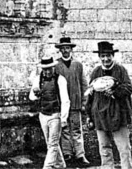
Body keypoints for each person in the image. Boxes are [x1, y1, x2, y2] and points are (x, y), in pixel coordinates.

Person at [85, 41, 132, 169]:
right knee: (104, 147)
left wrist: (115, 90)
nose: (105, 59)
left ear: (113, 56)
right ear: (99, 57)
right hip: (100, 114)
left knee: (123, 147)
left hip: (118, 113)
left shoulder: (120, 70)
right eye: (103, 56)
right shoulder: (96, 72)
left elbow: (128, 89)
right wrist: (88, 115)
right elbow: (90, 94)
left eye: (108, 55)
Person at [54, 37, 91, 167]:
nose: (65, 50)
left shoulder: (78, 65)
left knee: (76, 129)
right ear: (60, 50)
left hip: (75, 103)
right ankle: (67, 153)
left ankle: (80, 154)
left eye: (67, 48)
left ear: (71, 49)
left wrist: (83, 102)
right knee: (64, 128)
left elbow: (84, 84)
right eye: (63, 48)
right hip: (62, 104)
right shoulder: (56, 66)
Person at [30, 56, 70, 169]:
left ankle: (47, 167)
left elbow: (65, 100)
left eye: (50, 68)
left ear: (54, 67)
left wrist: (63, 118)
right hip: (43, 114)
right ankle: (61, 165)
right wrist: (36, 93)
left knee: (52, 144)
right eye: (45, 69)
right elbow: (32, 97)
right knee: (51, 144)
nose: (47, 71)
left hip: (55, 115)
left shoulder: (60, 79)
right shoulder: (38, 79)